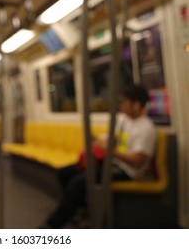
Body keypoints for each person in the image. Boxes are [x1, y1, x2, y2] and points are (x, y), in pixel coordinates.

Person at [41, 85, 157, 228]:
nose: (121, 105)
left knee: (79, 182)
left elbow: (138, 161)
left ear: (137, 105)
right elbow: (111, 138)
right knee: (64, 173)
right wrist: (96, 140)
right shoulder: (124, 120)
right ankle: (81, 208)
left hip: (127, 171)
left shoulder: (146, 128)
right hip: (112, 163)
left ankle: (52, 224)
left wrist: (111, 151)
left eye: (124, 101)